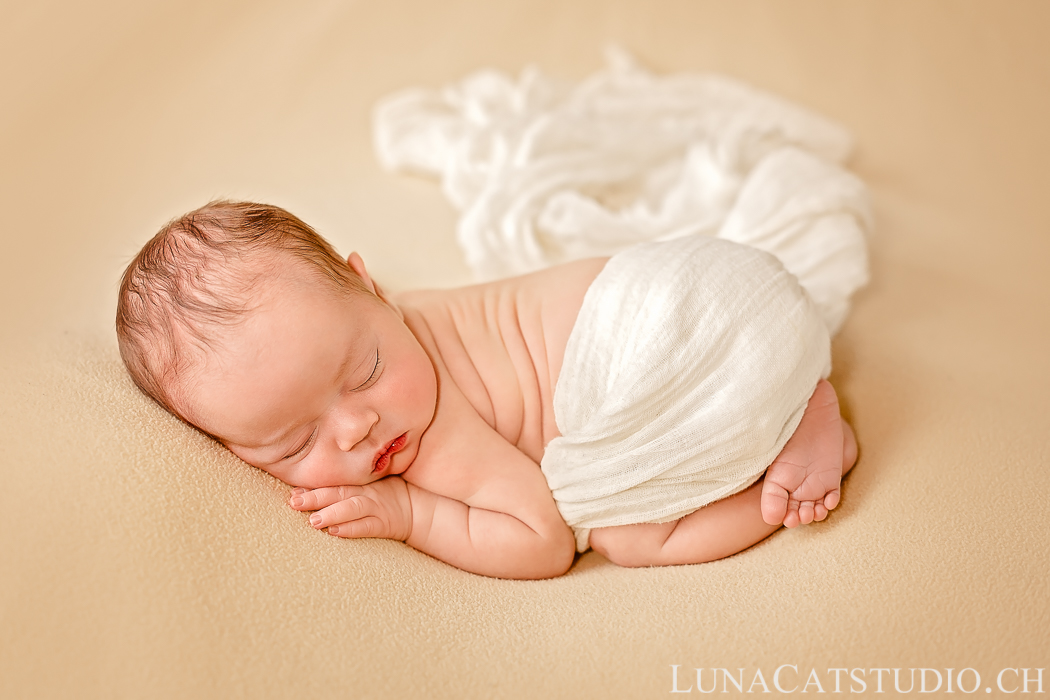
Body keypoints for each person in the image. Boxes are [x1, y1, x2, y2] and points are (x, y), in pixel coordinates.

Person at [116, 200, 857, 580]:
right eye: (294, 441)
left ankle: (786, 448)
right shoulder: (391, 317)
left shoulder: (433, 439)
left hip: (673, 333)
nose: (357, 429)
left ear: (370, 285)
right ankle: (793, 392)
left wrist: (411, 512)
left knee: (629, 535)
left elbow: (540, 543)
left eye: (366, 371)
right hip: (721, 285)